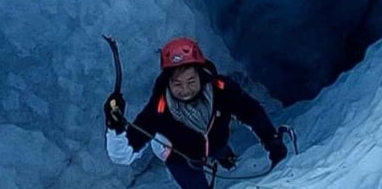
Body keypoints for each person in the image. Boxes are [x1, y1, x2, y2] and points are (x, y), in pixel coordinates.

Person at [104, 36, 287, 188]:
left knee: (217, 144)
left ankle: (222, 155)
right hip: (181, 158)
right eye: (177, 84)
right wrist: (115, 126)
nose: (185, 90)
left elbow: (251, 112)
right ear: (167, 81)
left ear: (201, 75)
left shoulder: (221, 89)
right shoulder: (159, 109)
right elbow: (123, 155)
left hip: (215, 140)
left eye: (191, 81)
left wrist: (271, 140)